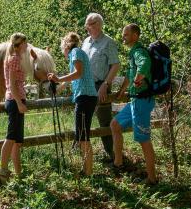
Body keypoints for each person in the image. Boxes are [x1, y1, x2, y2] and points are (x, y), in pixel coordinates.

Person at [110, 24, 157, 185]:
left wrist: (138, 79)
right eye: (123, 34)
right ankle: (118, 163)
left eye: (126, 34)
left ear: (135, 36)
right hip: (135, 100)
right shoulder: (132, 53)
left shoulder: (139, 52)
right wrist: (123, 90)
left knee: (144, 139)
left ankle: (152, 178)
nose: (123, 37)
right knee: (115, 124)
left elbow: (144, 65)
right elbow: (130, 75)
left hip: (142, 102)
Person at [48, 32, 98, 176]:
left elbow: (78, 73)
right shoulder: (78, 53)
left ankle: (88, 172)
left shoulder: (75, 52)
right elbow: (71, 78)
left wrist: (57, 79)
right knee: (82, 135)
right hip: (87, 97)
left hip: (85, 97)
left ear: (66, 45)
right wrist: (58, 89)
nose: (62, 50)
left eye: (62, 47)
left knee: (83, 136)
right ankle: (86, 170)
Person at [81, 13, 120, 162]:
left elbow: (115, 65)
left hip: (100, 85)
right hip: (85, 86)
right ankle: (84, 155)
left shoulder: (108, 42)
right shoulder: (85, 42)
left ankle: (113, 155)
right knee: (83, 119)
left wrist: (105, 84)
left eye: (90, 24)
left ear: (99, 24)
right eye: (86, 25)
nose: (88, 28)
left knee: (104, 121)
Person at [0, 33, 29, 185]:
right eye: (25, 43)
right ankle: (2, 172)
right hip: (15, 101)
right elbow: (13, 84)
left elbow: (14, 83)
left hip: (16, 99)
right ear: (20, 44)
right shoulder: (14, 58)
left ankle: (19, 174)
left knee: (16, 141)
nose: (27, 46)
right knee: (10, 138)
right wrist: (19, 103)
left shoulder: (14, 57)